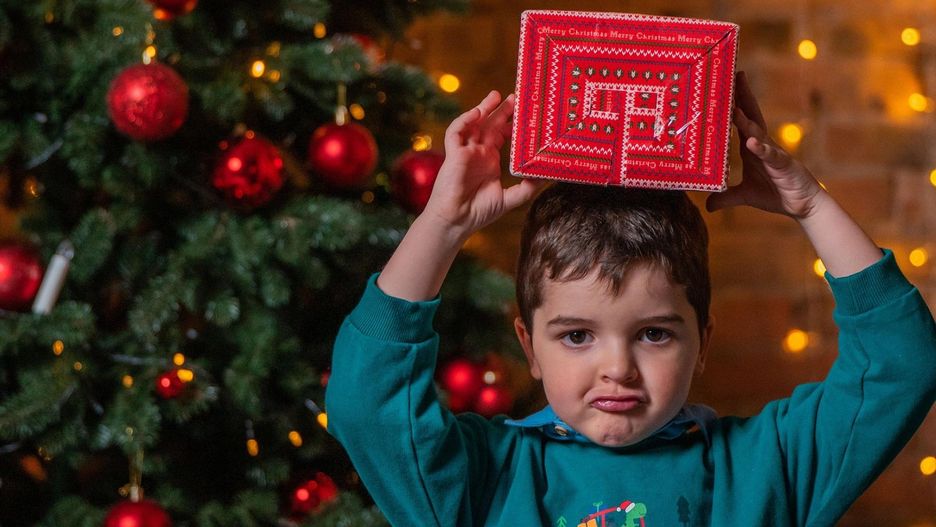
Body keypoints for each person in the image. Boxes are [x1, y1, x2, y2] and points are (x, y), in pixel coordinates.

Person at [325, 72, 936, 526]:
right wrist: (441, 226)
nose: (617, 368)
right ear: (528, 347)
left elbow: (900, 367)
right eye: (576, 335)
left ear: (703, 342)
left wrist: (811, 206)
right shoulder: (486, 478)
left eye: (654, 333)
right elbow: (366, 404)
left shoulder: (764, 468)